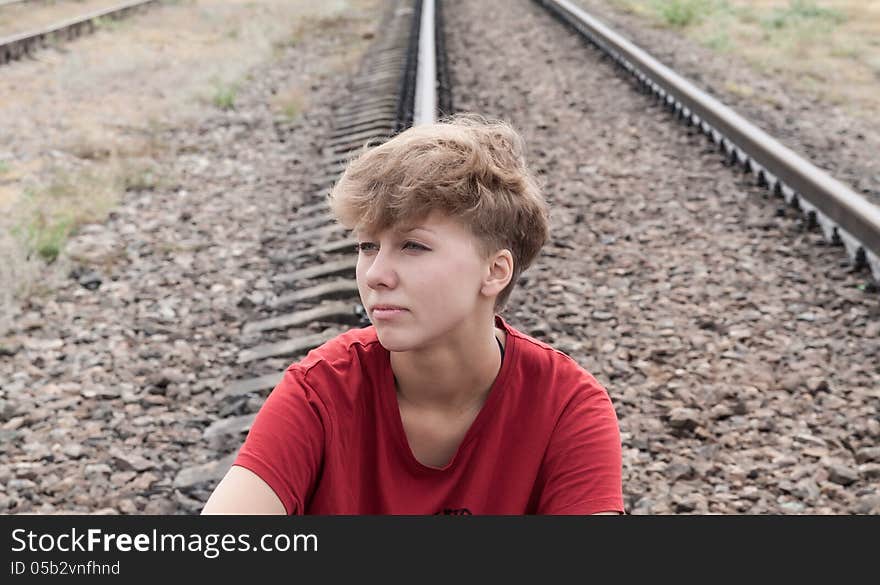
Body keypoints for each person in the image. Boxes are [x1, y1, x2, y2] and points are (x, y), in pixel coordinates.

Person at [202, 113, 624, 515]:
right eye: (368, 246)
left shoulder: (566, 406)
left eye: (413, 246)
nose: (376, 275)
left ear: (495, 271)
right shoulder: (322, 390)